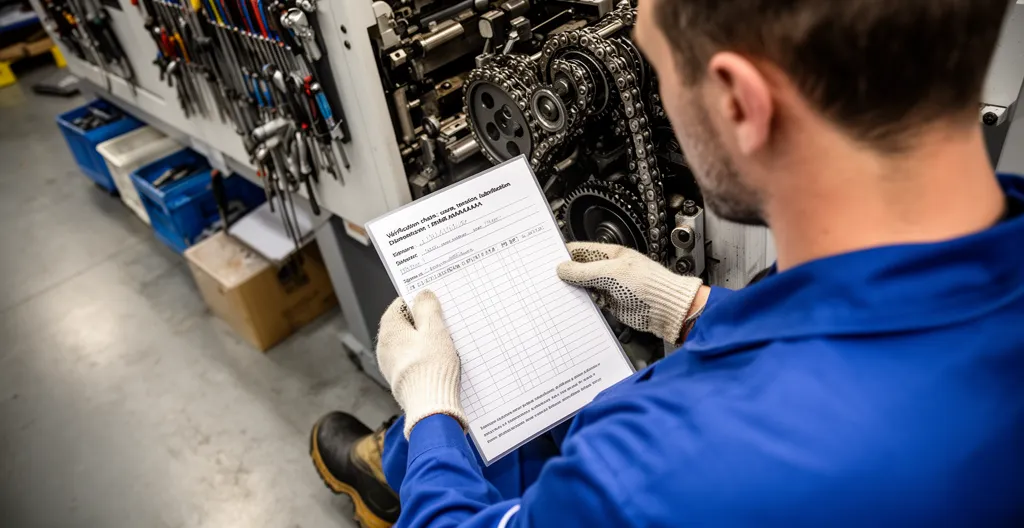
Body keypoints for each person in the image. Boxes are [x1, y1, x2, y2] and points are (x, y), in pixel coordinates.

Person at [310, 0, 1024, 525]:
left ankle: (405, 467)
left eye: (655, 68)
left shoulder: (655, 469)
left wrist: (433, 410)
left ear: (740, 103)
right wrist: (692, 307)